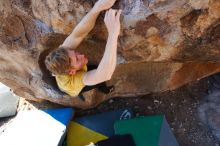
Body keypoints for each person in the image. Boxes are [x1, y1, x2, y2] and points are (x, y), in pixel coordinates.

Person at [45, 0, 121, 100]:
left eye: (75, 52)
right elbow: (105, 74)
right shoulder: (75, 81)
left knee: (95, 67)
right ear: (72, 72)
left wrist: (98, 7)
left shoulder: (63, 52)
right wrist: (113, 33)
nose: (82, 55)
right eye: (77, 59)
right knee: (98, 80)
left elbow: (79, 34)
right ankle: (104, 90)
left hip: (69, 72)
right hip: (72, 88)